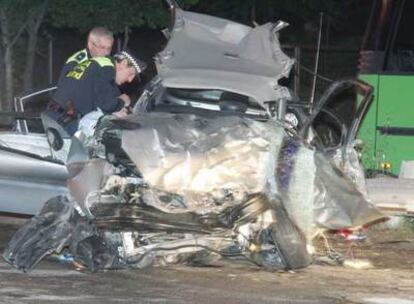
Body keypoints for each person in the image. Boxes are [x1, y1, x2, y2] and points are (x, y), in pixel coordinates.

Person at [46, 50, 147, 135]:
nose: (130, 80)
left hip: (54, 114)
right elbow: (108, 105)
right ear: (124, 63)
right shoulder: (107, 69)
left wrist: (119, 109)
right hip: (65, 121)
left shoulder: (100, 64)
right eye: (131, 74)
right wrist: (123, 101)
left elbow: (106, 102)